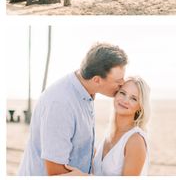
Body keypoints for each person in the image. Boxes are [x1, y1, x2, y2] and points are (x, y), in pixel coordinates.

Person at [18, 43, 128, 176]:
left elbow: (79, 146)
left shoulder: (86, 91)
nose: (123, 84)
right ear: (97, 80)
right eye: (118, 81)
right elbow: (56, 173)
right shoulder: (61, 104)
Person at [65, 76, 150, 175]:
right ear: (116, 94)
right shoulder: (108, 136)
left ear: (140, 107)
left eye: (133, 98)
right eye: (122, 93)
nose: (125, 100)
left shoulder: (135, 140)